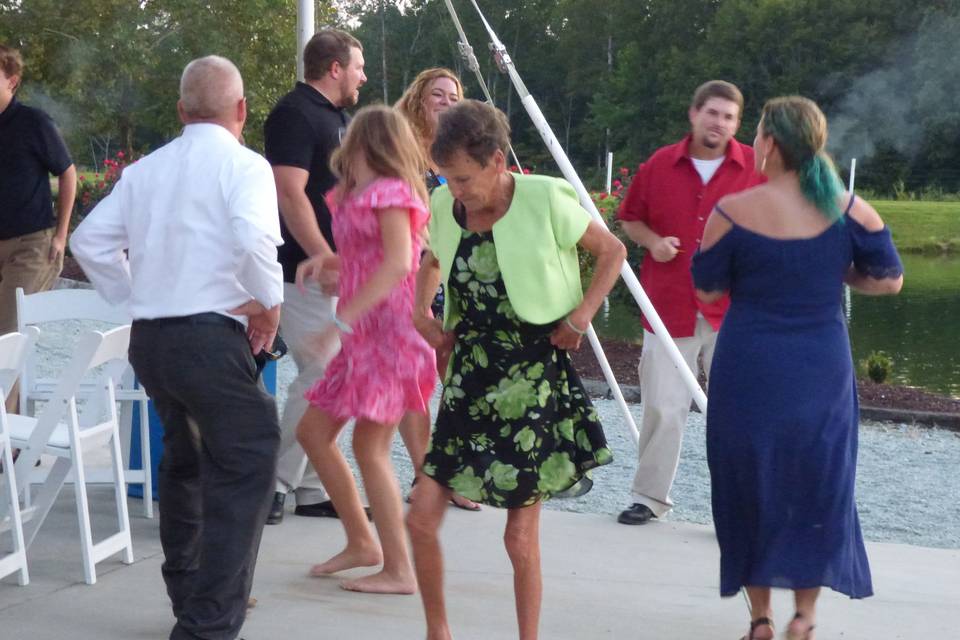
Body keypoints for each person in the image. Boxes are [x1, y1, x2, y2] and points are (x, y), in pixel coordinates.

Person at [70, 56, 283, 640]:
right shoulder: (246, 165)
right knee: (249, 456)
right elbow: (252, 238)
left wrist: (135, 294)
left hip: (152, 342)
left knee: (186, 461)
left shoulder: (145, 171)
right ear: (241, 110)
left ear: (182, 111)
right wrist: (270, 302)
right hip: (208, 340)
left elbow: (88, 241)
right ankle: (207, 623)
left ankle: (189, 591)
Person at [405, 100, 625, 640]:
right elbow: (432, 260)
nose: (456, 190)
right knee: (420, 518)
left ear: (497, 160)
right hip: (469, 374)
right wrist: (421, 313)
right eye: (446, 178)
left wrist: (580, 317)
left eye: (464, 178)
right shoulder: (442, 203)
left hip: (533, 378)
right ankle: (439, 632)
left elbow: (612, 252)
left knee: (518, 537)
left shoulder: (546, 197)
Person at [692, 96, 903, 640]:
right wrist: (840, 276)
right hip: (820, 365)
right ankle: (804, 617)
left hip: (750, 363)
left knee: (749, 479)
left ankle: (759, 618)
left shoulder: (731, 214)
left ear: (769, 144)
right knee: (818, 480)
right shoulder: (852, 209)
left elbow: (707, 287)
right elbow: (888, 279)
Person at [295, 105, 435, 595]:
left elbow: (400, 262)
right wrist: (327, 260)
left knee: (369, 447)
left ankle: (398, 569)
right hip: (363, 340)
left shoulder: (392, 193)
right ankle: (362, 542)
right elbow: (369, 255)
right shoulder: (363, 196)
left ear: (365, 144)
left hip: (387, 337)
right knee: (313, 432)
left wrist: (341, 320)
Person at [615, 80, 763, 526]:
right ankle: (649, 497)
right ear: (694, 113)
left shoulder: (755, 168)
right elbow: (629, 218)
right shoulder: (661, 164)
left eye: (728, 117)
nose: (719, 123)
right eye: (712, 113)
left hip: (734, 310)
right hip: (667, 306)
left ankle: (737, 509)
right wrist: (654, 241)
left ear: (738, 124)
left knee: (737, 410)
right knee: (663, 405)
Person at [263, 28, 366, 524]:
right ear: (334, 69)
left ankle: (308, 486)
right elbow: (289, 192)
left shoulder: (335, 116)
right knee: (323, 372)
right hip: (299, 270)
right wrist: (324, 256)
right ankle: (275, 483)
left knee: (333, 372)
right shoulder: (294, 114)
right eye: (358, 67)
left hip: (336, 269)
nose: (362, 76)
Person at [394, 66, 481, 512]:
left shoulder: (466, 152)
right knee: (416, 378)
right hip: (415, 272)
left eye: (453, 94)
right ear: (419, 99)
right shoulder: (403, 149)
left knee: (458, 379)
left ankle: (453, 474)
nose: (446, 100)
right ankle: (425, 474)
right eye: (437, 94)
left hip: (461, 273)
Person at [0, 44, 76, 413]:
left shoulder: (34, 122)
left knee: (10, 336)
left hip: (31, 246)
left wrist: (61, 235)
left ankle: (7, 441)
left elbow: (68, 173)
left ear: (11, 80)